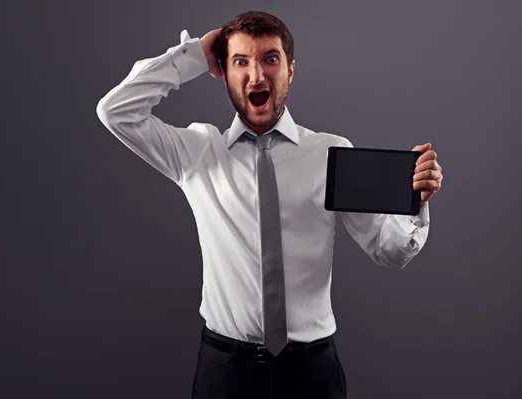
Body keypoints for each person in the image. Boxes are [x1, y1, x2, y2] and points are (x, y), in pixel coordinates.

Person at [96, 10, 443, 399]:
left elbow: (391, 252)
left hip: (313, 373)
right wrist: (193, 55)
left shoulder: (331, 153)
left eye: (270, 59)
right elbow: (116, 111)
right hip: (225, 371)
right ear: (223, 73)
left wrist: (416, 201)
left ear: (290, 70)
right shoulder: (197, 152)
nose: (256, 76)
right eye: (240, 62)